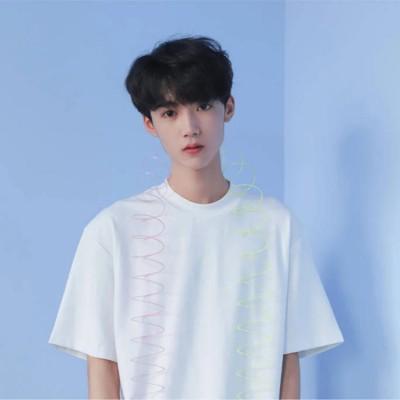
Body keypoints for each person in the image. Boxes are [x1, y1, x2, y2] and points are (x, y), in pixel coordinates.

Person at [48, 34, 344, 399]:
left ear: (228, 107)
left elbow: (288, 361)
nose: (189, 126)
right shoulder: (112, 231)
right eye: (169, 113)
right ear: (149, 123)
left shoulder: (275, 227)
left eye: (203, 105)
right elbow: (104, 369)